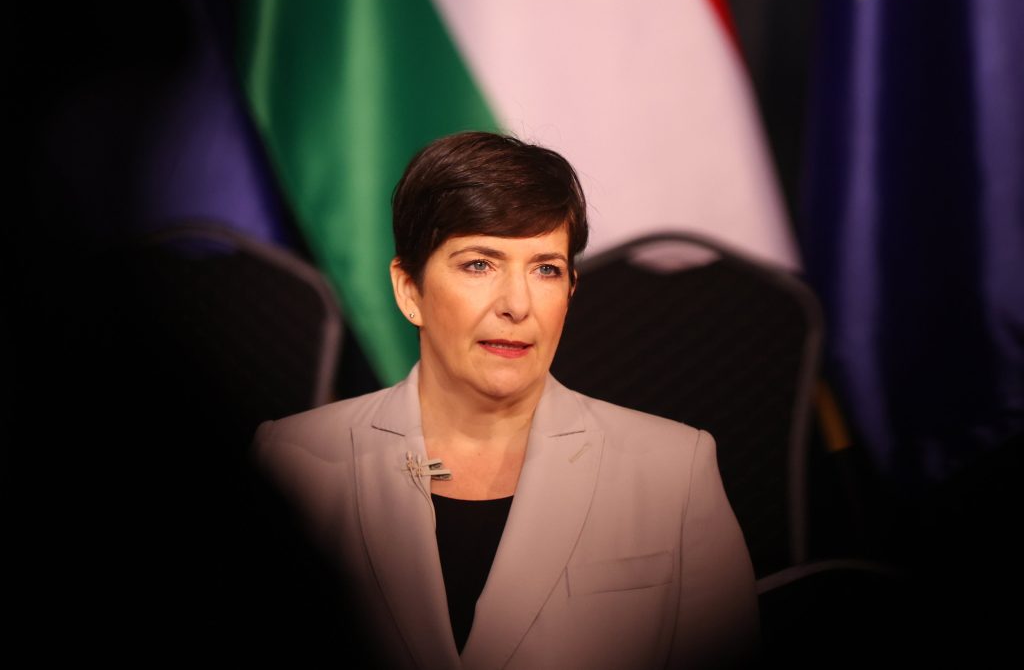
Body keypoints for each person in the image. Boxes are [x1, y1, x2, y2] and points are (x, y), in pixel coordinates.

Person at [254, 131, 759, 669]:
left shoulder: (674, 470)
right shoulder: (291, 461)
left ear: (570, 291)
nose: (517, 305)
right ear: (409, 290)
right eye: (479, 264)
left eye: (546, 269)